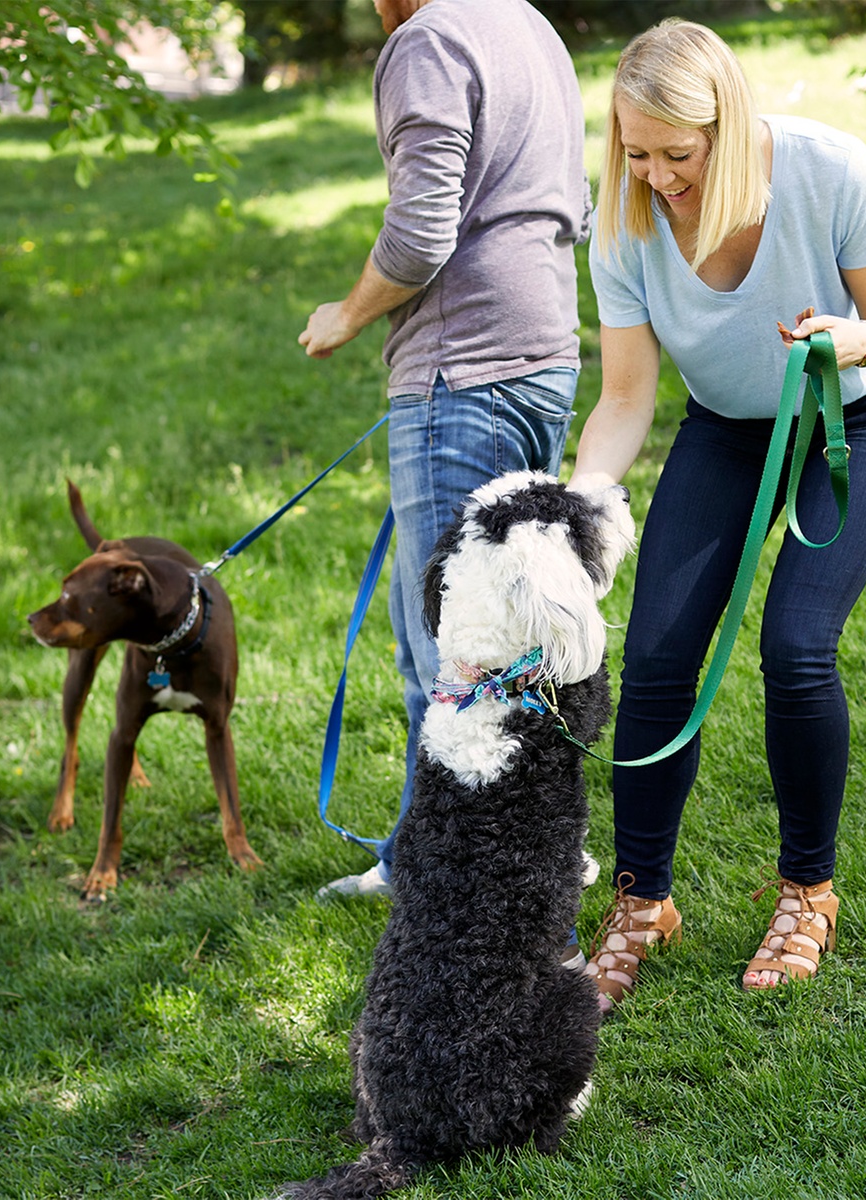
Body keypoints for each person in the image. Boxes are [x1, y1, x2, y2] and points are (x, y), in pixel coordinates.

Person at [569, 18, 866, 1004]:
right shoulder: (626, 216)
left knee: (798, 643)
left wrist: (856, 341)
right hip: (729, 428)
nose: (655, 176)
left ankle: (808, 892)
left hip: (858, 417)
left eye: (676, 154)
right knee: (654, 655)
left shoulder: (829, 169)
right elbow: (626, 397)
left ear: (725, 127)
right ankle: (643, 900)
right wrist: (581, 505)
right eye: (634, 152)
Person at [299, 0, 593, 901]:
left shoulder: (426, 39)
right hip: (543, 352)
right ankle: (438, 856)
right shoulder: (524, 22)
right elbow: (572, 204)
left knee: (455, 656)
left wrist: (346, 316)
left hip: (463, 372)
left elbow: (423, 229)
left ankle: (495, 878)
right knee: (492, 636)